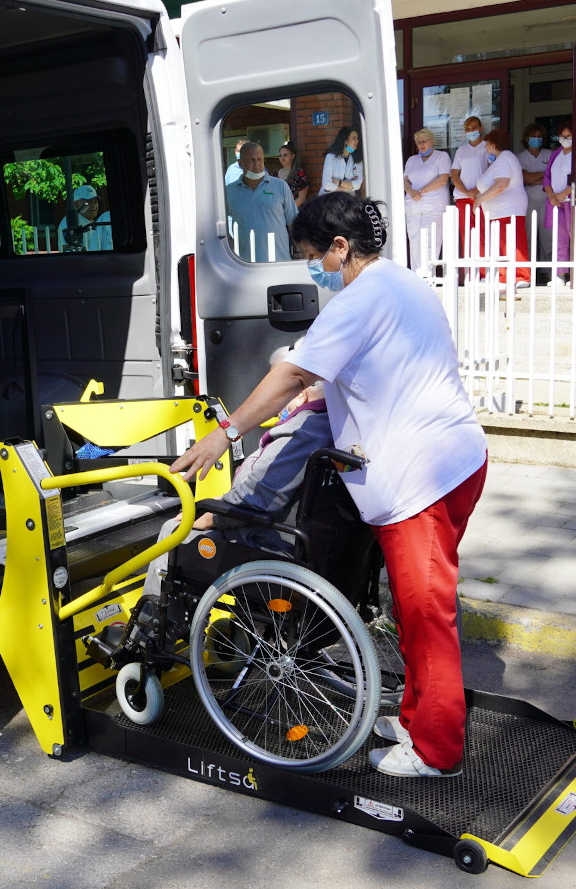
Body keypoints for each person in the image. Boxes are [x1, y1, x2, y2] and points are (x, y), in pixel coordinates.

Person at [172, 193, 488, 779]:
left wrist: (225, 432)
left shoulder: (358, 300)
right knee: (416, 606)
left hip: (418, 477)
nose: (313, 267)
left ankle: (437, 751)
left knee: (425, 615)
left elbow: (291, 372)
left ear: (341, 248)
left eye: (313, 255)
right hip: (459, 459)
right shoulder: (404, 283)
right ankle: (419, 719)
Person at [142, 376, 331, 597]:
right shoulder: (339, 426)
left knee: (174, 531)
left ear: (300, 394)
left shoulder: (303, 431)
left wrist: (210, 517)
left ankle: (151, 626)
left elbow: (258, 501)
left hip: (270, 546)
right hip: (321, 545)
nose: (279, 409)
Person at [473, 128, 530, 289]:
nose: (485, 149)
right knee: (502, 244)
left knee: (514, 242)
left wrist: (479, 200)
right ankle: (505, 276)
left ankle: (522, 275)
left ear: (493, 145)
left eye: (487, 145)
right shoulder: (499, 161)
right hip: (498, 211)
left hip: (509, 208)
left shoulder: (505, 158)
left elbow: (501, 184)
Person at [225, 142, 298, 262]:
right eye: (252, 160)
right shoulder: (229, 191)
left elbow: (293, 223)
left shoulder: (280, 186)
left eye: (260, 159)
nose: (257, 164)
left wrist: (302, 252)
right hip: (245, 266)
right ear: (240, 164)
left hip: (279, 262)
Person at [403, 128, 451, 274]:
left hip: (433, 206)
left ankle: (428, 276)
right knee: (415, 242)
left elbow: (443, 179)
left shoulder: (441, 157)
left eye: (424, 141)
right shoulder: (412, 160)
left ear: (432, 141)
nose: (421, 145)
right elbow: (404, 179)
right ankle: (416, 276)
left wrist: (421, 191)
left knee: (431, 241)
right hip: (413, 206)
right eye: (418, 142)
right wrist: (411, 192)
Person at [450, 116, 489, 264]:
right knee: (467, 235)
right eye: (467, 129)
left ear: (480, 128)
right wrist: (467, 192)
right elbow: (454, 174)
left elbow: (492, 171)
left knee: (483, 234)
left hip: (482, 196)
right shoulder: (461, 150)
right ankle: (472, 272)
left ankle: (485, 272)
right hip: (463, 197)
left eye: (474, 128)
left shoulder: (487, 147)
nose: (471, 131)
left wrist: (476, 190)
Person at [543, 121, 575, 285]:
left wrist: (564, 193)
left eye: (568, 136)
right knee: (559, 238)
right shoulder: (556, 153)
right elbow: (547, 176)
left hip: (573, 201)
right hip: (556, 201)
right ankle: (560, 274)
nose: (564, 139)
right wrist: (552, 196)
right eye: (561, 136)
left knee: (575, 236)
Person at [518, 123, 550, 265]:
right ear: (526, 138)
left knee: (547, 236)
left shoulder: (549, 155)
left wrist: (533, 178)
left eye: (539, 137)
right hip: (528, 201)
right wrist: (544, 175)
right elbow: (524, 178)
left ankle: (548, 269)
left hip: (547, 200)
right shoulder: (520, 158)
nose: (536, 139)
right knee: (528, 235)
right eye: (533, 137)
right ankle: (529, 269)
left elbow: (553, 178)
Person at [57, 184, 112, 252]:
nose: (93, 205)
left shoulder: (94, 222)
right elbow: (65, 248)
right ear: (76, 204)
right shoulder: (70, 221)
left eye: (95, 202)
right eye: (89, 202)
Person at [319, 127, 363, 196]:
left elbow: (357, 185)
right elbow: (327, 185)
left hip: (348, 200)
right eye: (354, 138)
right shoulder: (331, 157)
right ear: (346, 141)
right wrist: (347, 188)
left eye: (357, 138)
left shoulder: (357, 160)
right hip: (329, 199)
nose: (357, 141)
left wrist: (338, 182)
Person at [278, 143, 309, 208]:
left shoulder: (300, 174)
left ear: (293, 156)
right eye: (280, 155)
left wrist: (287, 211)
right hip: (278, 213)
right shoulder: (275, 175)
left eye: (285, 155)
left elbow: (301, 198)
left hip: (295, 212)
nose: (282, 158)